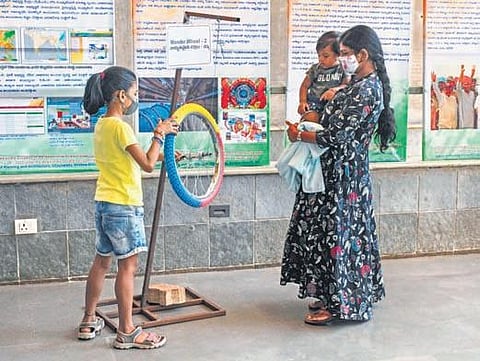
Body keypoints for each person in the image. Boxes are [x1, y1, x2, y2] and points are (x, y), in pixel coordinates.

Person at [280, 25, 396, 325]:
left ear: (362, 54)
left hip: (344, 180)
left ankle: (341, 303)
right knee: (328, 235)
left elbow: (335, 136)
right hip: (333, 175)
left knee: (340, 237)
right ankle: (335, 294)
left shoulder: (367, 89)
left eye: (345, 54)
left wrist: (299, 135)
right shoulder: (355, 84)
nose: (341, 59)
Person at [77, 66, 179, 349]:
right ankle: (127, 331)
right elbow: (146, 164)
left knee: (101, 262)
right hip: (124, 206)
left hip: (105, 203)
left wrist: (165, 153)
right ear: (121, 95)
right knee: (128, 267)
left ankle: (88, 319)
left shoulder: (103, 125)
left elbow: (133, 159)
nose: (136, 98)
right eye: (134, 93)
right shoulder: (121, 127)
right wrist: (159, 134)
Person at [297, 31, 350, 123]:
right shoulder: (315, 68)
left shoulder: (343, 68)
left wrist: (334, 90)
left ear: (338, 55)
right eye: (319, 55)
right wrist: (302, 102)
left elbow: (346, 85)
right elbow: (304, 86)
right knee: (310, 118)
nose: (320, 59)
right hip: (315, 102)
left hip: (333, 104)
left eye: (325, 56)